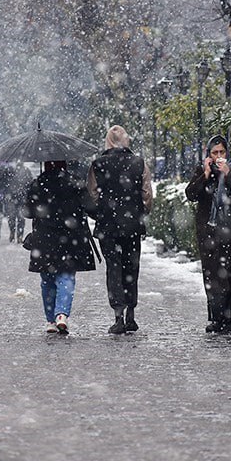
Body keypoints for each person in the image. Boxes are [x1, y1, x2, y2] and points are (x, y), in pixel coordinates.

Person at [87, 125, 153, 335]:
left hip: (108, 225)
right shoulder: (138, 163)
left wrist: (101, 212)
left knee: (113, 268)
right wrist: (140, 213)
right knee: (131, 268)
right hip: (132, 225)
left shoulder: (98, 164)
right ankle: (131, 313)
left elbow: (92, 195)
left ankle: (118, 316)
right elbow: (147, 194)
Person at [184, 134, 231, 334]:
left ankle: (227, 318)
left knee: (230, 275)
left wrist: (228, 173)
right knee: (212, 275)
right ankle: (215, 318)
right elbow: (191, 194)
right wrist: (205, 174)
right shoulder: (203, 169)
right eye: (214, 153)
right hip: (209, 232)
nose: (218, 156)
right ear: (209, 154)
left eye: (222, 152)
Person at [22, 160, 96, 334]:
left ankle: (50, 320)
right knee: (66, 276)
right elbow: (90, 207)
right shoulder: (75, 182)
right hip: (70, 238)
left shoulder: (38, 184)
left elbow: (27, 212)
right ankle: (61, 314)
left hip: (44, 238)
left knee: (47, 279)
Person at [5, 162, 33, 244]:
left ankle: (14, 233)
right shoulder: (25, 171)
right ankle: (18, 235)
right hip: (20, 197)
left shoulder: (11, 170)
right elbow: (29, 183)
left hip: (16, 197)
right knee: (18, 218)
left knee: (13, 217)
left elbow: (6, 183)